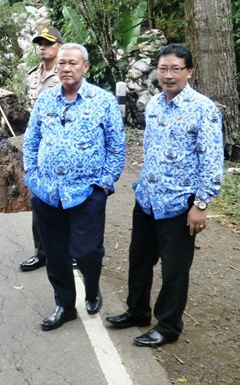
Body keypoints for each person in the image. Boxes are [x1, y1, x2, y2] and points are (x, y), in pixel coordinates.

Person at [106, 43, 224, 346]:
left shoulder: (203, 108)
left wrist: (200, 204)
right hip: (147, 199)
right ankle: (137, 311)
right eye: (163, 69)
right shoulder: (155, 104)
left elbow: (211, 160)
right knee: (139, 260)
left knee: (174, 270)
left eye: (175, 69)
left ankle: (168, 326)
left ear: (189, 71)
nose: (168, 75)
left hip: (179, 205)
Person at [23, 43, 126, 331]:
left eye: (73, 63)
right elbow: (31, 141)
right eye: (62, 63)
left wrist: (104, 184)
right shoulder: (45, 101)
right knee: (55, 253)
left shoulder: (102, 101)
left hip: (87, 191)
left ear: (86, 68)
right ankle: (65, 305)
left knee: (86, 252)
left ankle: (92, 289)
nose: (66, 68)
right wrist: (32, 175)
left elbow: (117, 148)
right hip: (47, 191)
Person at [20, 26, 64, 272]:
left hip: (63, 148)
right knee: (38, 201)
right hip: (39, 148)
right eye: (39, 43)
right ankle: (42, 253)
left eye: (47, 43)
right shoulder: (33, 75)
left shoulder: (67, 73)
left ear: (59, 45)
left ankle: (69, 252)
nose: (42, 47)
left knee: (65, 202)